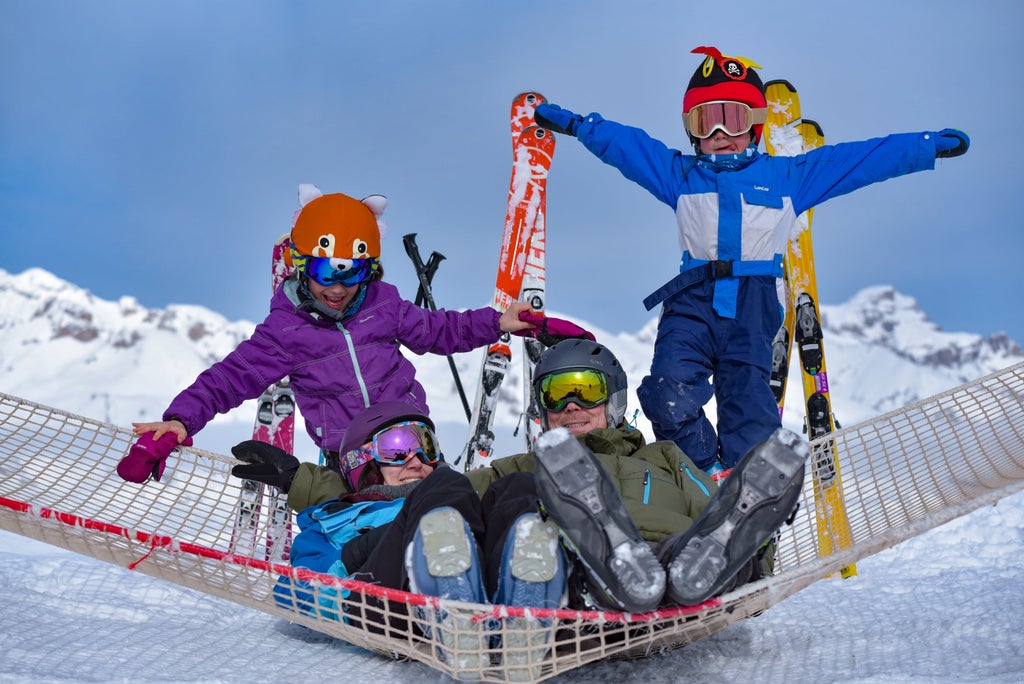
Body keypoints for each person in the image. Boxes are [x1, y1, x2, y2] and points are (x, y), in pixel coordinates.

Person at [532, 45, 970, 477]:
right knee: (666, 391)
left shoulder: (787, 179)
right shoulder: (679, 175)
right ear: (692, 130)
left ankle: (747, 484)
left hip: (754, 305)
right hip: (692, 301)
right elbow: (628, 146)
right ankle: (704, 473)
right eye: (707, 120)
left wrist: (925, 147)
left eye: (734, 117)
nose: (720, 131)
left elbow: (861, 160)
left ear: (756, 124)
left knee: (750, 408)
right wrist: (577, 125)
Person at [235, 339, 806, 614]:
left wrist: (759, 538)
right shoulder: (526, 467)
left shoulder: (666, 457)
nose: (575, 403)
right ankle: (607, 572)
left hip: (678, 556)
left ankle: (703, 566)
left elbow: (712, 503)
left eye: (588, 389)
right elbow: (420, 499)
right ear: (543, 411)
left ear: (613, 402)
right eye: (560, 392)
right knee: (512, 493)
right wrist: (309, 480)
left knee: (710, 541)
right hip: (583, 570)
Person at [126, 185, 535, 478]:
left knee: (439, 517)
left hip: (413, 441)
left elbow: (441, 330)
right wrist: (181, 420)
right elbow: (229, 378)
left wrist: (497, 322)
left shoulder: (384, 304)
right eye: (324, 271)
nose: (337, 288)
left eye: (353, 272)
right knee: (365, 533)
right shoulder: (286, 330)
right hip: (349, 456)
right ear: (302, 265)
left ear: (369, 269)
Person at [269, 401, 567, 678]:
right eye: (397, 449)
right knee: (445, 485)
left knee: (518, 486)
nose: (416, 462)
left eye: (426, 446)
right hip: (383, 606)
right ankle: (451, 613)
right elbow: (292, 591)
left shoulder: (452, 494)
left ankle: (525, 614)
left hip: (484, 605)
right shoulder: (331, 522)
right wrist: (354, 553)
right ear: (362, 463)